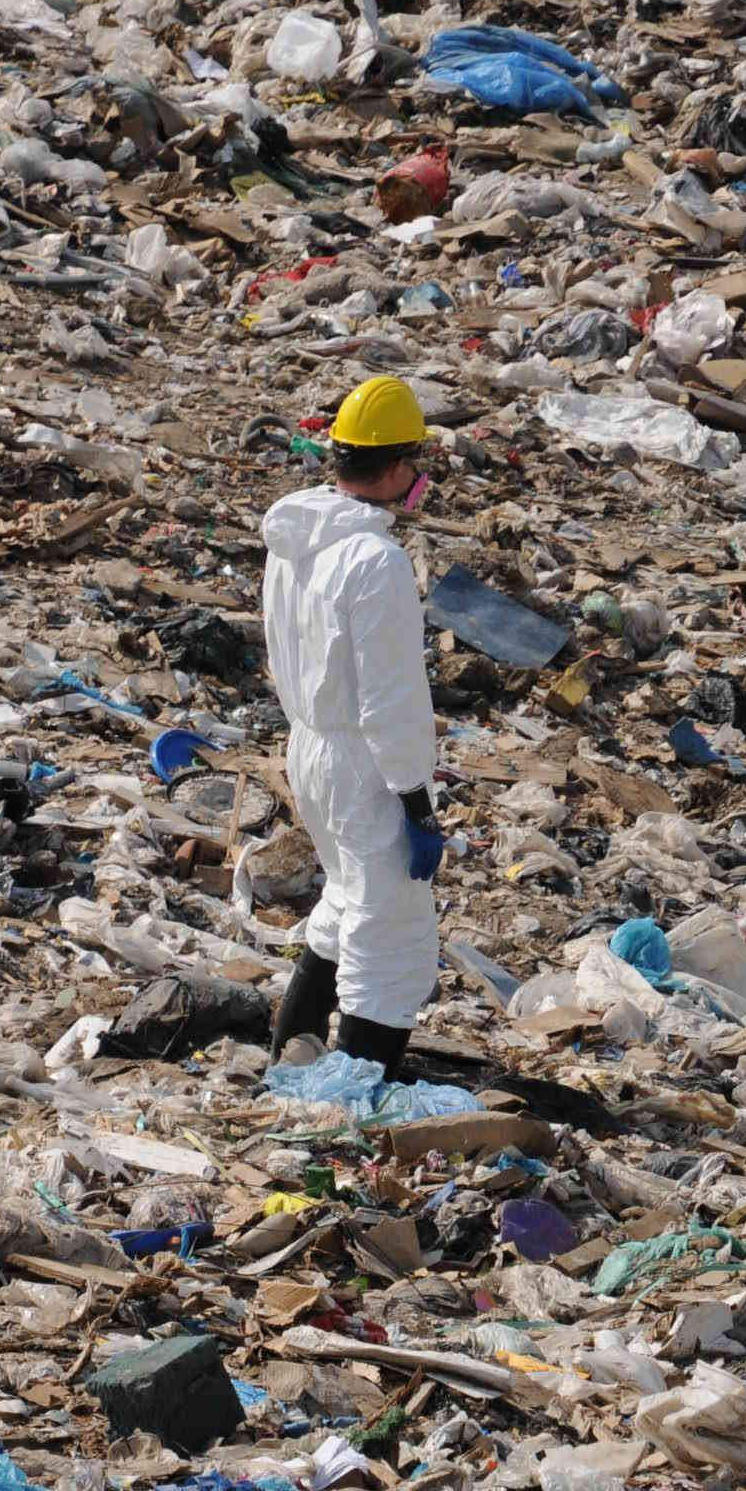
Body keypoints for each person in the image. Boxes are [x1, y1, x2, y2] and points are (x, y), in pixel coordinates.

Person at [259, 375, 447, 1080]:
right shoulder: (376, 561)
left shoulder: (294, 539)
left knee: (345, 896)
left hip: (309, 742)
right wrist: (416, 802)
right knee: (391, 924)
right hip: (364, 762)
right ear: (397, 468)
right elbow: (390, 701)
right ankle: (354, 1081)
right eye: (417, 462)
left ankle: (293, 1047)